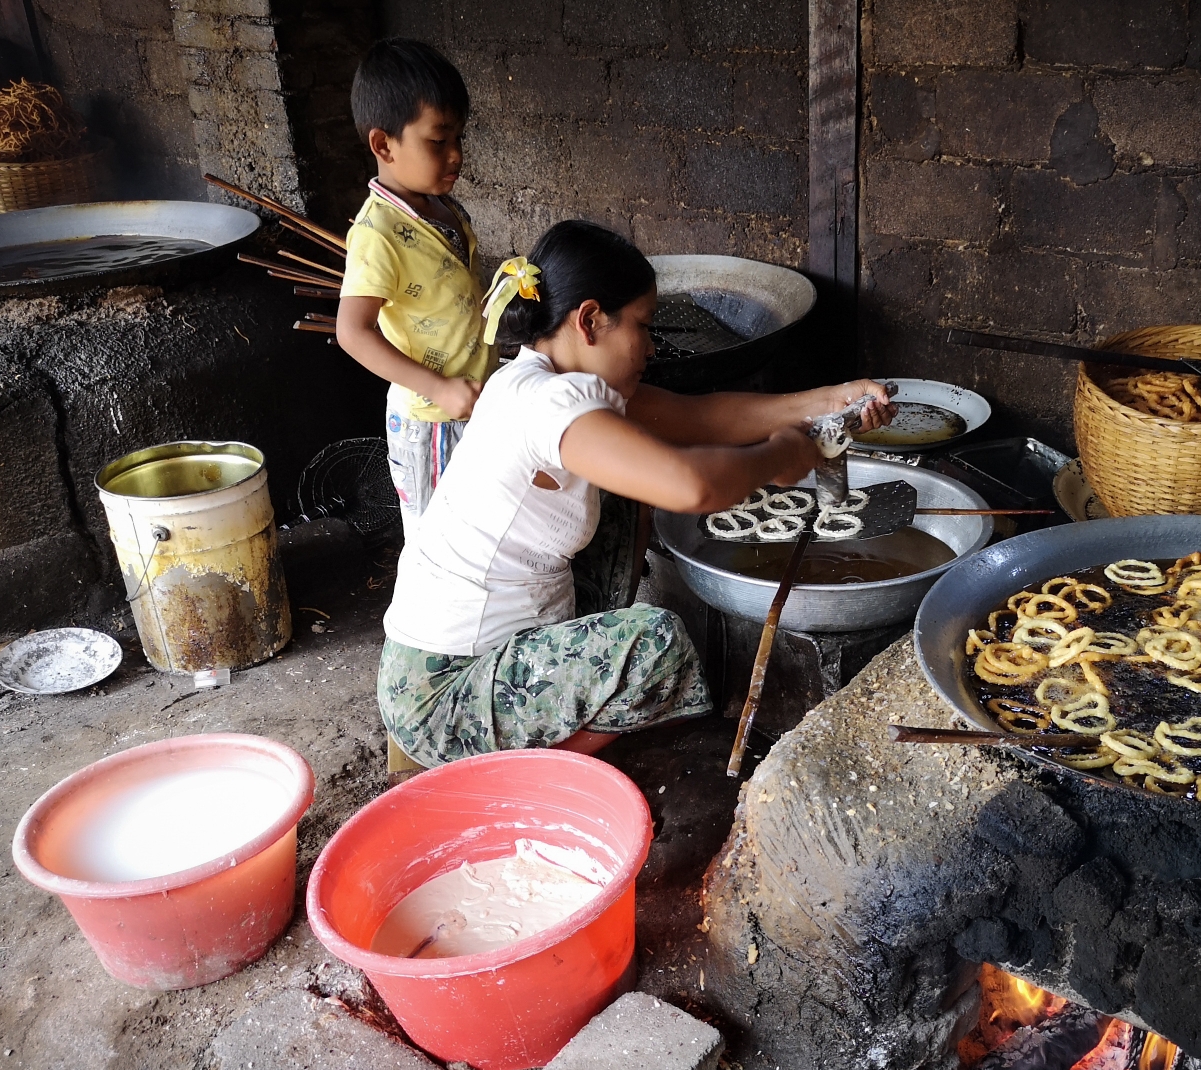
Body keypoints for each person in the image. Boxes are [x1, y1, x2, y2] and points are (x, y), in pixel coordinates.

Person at [379, 219, 895, 765]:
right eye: (644, 326)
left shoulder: (534, 378)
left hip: (468, 656)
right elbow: (692, 485)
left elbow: (701, 418)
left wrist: (835, 399)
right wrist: (779, 458)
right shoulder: (549, 405)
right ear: (590, 320)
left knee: (626, 490)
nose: (651, 345)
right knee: (655, 643)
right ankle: (540, 771)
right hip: (443, 695)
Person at [336, 38, 494, 539]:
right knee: (437, 548)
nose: (456, 155)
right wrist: (439, 388)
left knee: (477, 533)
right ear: (384, 145)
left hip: (470, 401)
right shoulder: (376, 234)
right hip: (430, 420)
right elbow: (352, 332)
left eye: (459, 139)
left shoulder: (444, 210)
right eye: (438, 140)